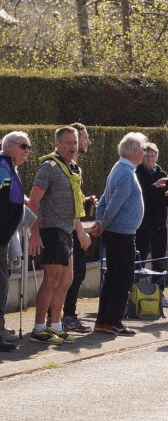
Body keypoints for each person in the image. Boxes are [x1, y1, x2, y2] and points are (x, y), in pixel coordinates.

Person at [28, 126, 91, 344]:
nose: (73, 147)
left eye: (75, 142)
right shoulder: (49, 167)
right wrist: (34, 232)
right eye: (67, 143)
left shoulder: (72, 168)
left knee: (66, 281)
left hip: (66, 230)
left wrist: (79, 229)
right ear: (57, 145)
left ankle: (55, 325)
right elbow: (34, 201)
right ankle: (38, 328)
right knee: (51, 280)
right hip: (51, 230)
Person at [89, 132, 146, 336]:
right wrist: (102, 223)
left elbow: (104, 199)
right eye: (143, 149)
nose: (144, 153)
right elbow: (113, 203)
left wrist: (100, 221)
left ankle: (103, 321)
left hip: (116, 231)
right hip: (121, 233)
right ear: (134, 151)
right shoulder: (125, 172)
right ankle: (113, 322)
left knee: (113, 277)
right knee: (123, 278)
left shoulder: (119, 168)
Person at [59, 122, 97, 334]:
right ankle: (63, 318)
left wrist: (86, 200)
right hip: (62, 230)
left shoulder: (75, 167)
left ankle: (64, 317)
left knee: (76, 273)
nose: (87, 142)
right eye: (84, 138)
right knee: (68, 275)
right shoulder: (60, 166)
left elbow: (74, 199)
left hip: (71, 228)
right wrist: (80, 230)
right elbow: (64, 203)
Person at [135, 142, 168, 308]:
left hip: (160, 223)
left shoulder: (163, 174)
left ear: (157, 157)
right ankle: (136, 292)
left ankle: (159, 293)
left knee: (160, 259)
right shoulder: (137, 173)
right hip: (143, 223)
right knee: (140, 259)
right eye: (146, 156)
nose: (149, 159)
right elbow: (139, 197)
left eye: (152, 156)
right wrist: (154, 187)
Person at [0, 131, 31, 351]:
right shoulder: (3, 167)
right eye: (23, 146)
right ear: (9, 146)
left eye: (28, 147)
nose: (27, 151)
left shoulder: (10, 167)